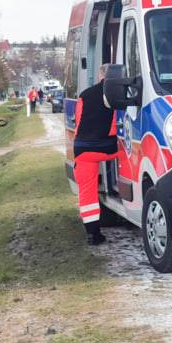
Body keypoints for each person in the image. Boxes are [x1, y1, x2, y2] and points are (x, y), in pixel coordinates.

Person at [73, 64, 123, 245]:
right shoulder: (119, 91)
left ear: (100, 75)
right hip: (109, 148)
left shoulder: (84, 95)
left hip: (83, 150)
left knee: (87, 193)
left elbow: (78, 122)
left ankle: (93, 234)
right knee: (133, 149)